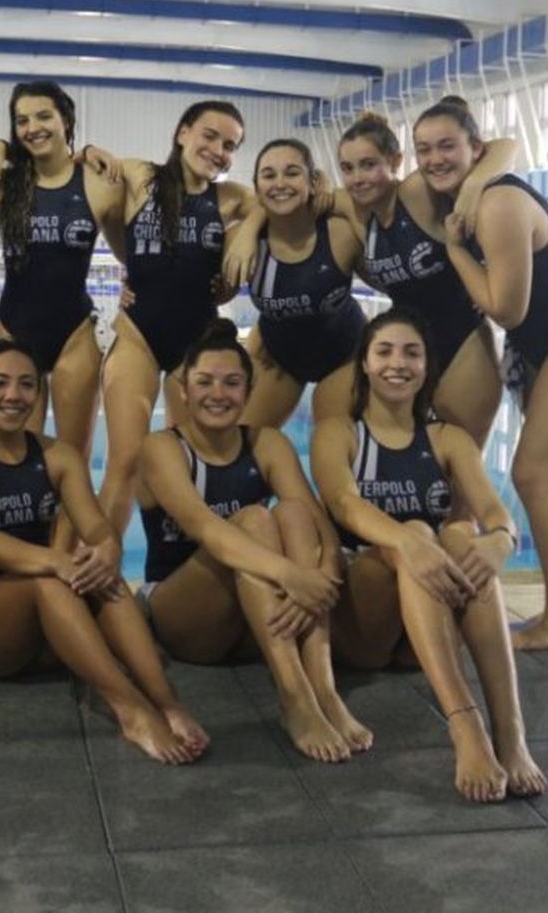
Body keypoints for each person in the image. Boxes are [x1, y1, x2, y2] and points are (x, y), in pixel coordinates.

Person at [0, 340, 209, 764]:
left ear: (38, 396)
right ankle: (130, 710)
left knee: (100, 573)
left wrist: (107, 550)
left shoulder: (57, 457)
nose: (13, 395)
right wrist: (60, 562)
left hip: (48, 636)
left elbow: (96, 525)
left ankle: (167, 703)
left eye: (27, 385)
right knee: (51, 578)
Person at [312, 308, 545, 801]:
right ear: (365, 366)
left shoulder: (447, 439)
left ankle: (511, 733)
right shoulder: (340, 434)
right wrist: (406, 539)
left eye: (411, 352)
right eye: (385, 351)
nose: (399, 363)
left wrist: (501, 539)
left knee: (464, 537)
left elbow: (496, 513)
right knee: (423, 530)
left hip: (426, 621)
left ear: (426, 368)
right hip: (365, 623)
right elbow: (343, 503)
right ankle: (465, 725)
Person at [428, 101, 548, 650]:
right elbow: (505, 146)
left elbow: (506, 309)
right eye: (425, 150)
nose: (436, 158)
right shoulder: (481, 191)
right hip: (547, 345)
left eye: (448, 145)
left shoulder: (498, 202)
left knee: (534, 476)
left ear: (474, 149)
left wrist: (452, 251)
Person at [137, 320, 363, 763]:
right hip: (182, 616)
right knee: (255, 520)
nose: (217, 394)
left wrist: (319, 577)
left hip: (254, 619)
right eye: (204, 382)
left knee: (295, 514)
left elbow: (318, 524)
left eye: (231, 383)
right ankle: (294, 697)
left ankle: (323, 687)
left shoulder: (268, 443)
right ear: (184, 390)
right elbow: (206, 529)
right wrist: (292, 575)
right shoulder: (162, 448)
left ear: (248, 390)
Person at [225, 105, 515, 446]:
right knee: (417, 459)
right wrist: (247, 230)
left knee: (460, 465)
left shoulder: (416, 194)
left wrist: (475, 183)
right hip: (408, 347)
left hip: (461, 341)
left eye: (369, 165)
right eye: (348, 168)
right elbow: (281, 196)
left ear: (394, 162)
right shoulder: (351, 207)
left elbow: (503, 146)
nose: (358, 177)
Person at [99, 101, 255, 536]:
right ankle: (98, 568)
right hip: (137, 336)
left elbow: (267, 201)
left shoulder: (231, 199)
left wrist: (243, 239)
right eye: (209, 136)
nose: (218, 151)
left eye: (230, 145)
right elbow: (90, 166)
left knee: (187, 460)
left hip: (198, 342)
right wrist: (90, 148)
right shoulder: (140, 176)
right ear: (182, 132)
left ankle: (178, 562)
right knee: (126, 459)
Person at [0, 82, 126, 458]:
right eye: (21, 120)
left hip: (74, 333)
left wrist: (139, 285)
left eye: (44, 116)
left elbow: (130, 253)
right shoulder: (5, 180)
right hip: (14, 329)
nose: (33, 127)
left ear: (66, 120)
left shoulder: (98, 184)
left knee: (71, 458)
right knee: (16, 456)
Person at [239, 139, 366, 427]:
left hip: (345, 354)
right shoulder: (242, 242)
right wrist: (136, 288)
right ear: (257, 187)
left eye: (292, 173)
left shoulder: (340, 233)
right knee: (245, 442)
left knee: (330, 444)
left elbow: (394, 280)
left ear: (313, 181)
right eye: (269, 175)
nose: (280, 183)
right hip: (278, 356)